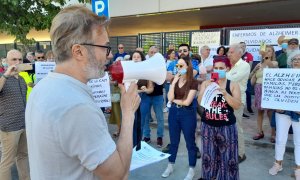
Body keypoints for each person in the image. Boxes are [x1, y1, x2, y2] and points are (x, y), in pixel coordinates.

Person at [25, 5, 140, 179]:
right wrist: (128, 113)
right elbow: (118, 174)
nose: (109, 55)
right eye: (105, 47)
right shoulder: (77, 107)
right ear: (78, 51)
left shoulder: (42, 87)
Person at [198, 56, 241, 180]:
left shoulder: (232, 85)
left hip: (227, 127)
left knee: (228, 157)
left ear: (227, 68)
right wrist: (208, 89)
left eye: (221, 68)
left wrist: (225, 93)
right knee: (208, 156)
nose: (217, 70)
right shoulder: (207, 83)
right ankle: (209, 177)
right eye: (215, 68)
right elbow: (201, 102)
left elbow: (237, 105)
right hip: (208, 125)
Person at [161, 56, 198, 180]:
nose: (178, 68)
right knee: (173, 141)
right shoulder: (174, 80)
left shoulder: (193, 81)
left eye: (181, 66)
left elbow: (187, 102)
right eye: (177, 66)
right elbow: (170, 97)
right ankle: (170, 165)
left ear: (188, 67)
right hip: (174, 112)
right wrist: (174, 83)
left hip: (187, 113)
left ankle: (191, 169)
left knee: (190, 142)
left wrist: (174, 100)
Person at [268, 51, 300, 179]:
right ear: (290, 62)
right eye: (294, 59)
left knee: (299, 141)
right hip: (283, 112)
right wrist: (276, 105)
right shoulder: (282, 74)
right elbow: (274, 92)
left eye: (299, 59)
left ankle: (298, 167)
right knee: (280, 139)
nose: (297, 61)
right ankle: (278, 163)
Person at [0, 49, 30, 180]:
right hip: (9, 127)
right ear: (6, 62)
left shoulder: (23, 79)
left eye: (20, 60)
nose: (17, 62)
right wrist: (7, 74)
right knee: (7, 162)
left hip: (23, 125)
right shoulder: (3, 78)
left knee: (23, 156)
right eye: (14, 60)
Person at [227, 44, 250, 163]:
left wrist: (220, 74)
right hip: (226, 100)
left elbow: (231, 79)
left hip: (237, 101)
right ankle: (231, 151)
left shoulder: (244, 65)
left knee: (237, 127)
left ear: (239, 53)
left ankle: (241, 154)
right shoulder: (231, 66)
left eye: (231, 52)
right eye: (228, 52)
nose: (228, 54)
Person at [250, 45, 277, 143]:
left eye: (269, 51)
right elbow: (251, 79)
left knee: (270, 112)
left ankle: (273, 134)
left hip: (269, 89)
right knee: (260, 112)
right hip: (258, 88)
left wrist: (265, 58)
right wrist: (254, 71)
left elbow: (271, 66)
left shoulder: (274, 62)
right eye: (266, 51)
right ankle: (260, 131)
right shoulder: (259, 65)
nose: (267, 53)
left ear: (272, 53)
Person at [130, 51, 154, 147]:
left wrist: (146, 90)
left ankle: (137, 145)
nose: (136, 58)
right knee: (132, 123)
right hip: (131, 99)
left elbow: (151, 89)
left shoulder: (147, 72)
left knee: (141, 123)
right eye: (134, 57)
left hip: (144, 99)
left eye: (138, 57)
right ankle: (132, 145)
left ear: (142, 59)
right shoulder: (128, 71)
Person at [240, 42, 254, 116]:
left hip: (246, 77)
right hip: (238, 78)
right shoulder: (237, 55)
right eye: (241, 46)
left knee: (248, 92)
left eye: (244, 46)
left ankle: (249, 107)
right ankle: (241, 110)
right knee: (239, 93)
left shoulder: (249, 55)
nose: (242, 47)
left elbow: (250, 66)